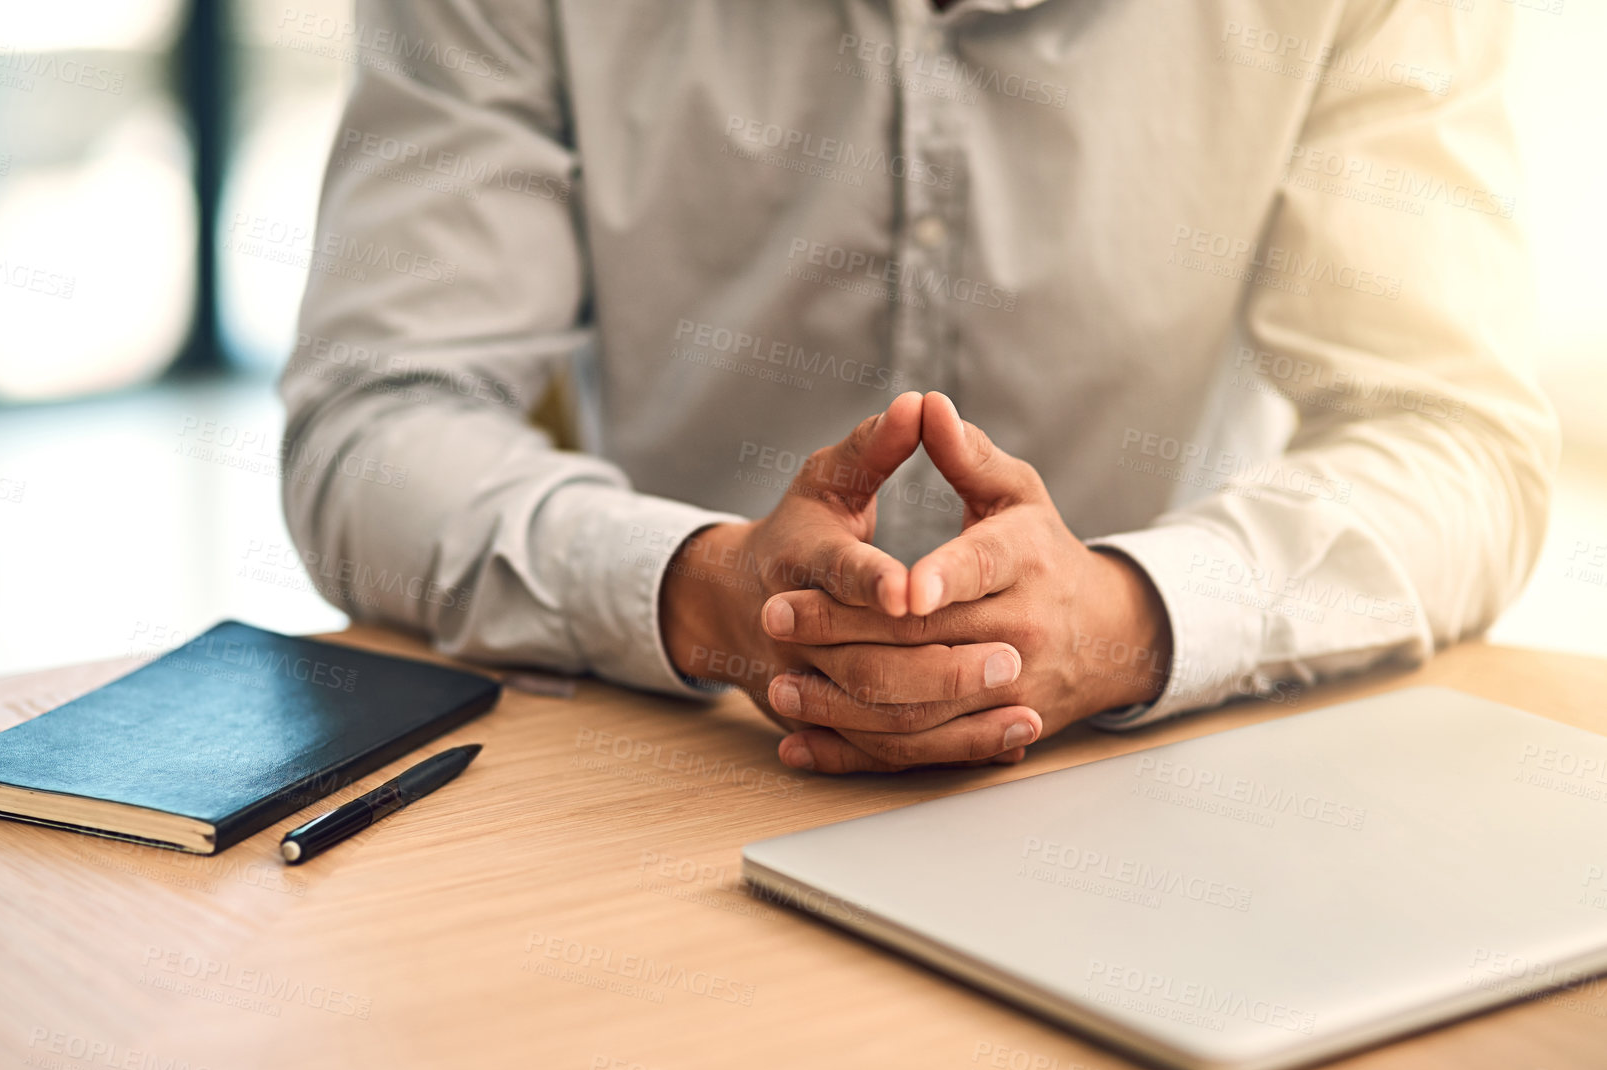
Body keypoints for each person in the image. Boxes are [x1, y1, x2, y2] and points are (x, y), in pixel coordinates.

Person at [280, 0, 1556, 774]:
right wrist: (698, 589)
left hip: (1164, 769)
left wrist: (1128, 617)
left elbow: (1454, 436)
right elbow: (375, 420)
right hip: (675, 765)